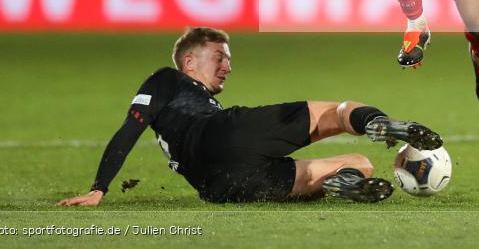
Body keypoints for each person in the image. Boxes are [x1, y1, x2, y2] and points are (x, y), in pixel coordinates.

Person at [57, 27, 442, 205]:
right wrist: (100, 185)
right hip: (225, 135)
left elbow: (134, 129)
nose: (227, 66)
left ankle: (340, 184)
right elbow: (130, 128)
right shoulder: (167, 78)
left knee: (359, 163)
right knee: (338, 112)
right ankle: (377, 122)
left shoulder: (191, 103)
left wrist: (98, 191)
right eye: (220, 57)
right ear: (188, 61)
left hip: (220, 188)